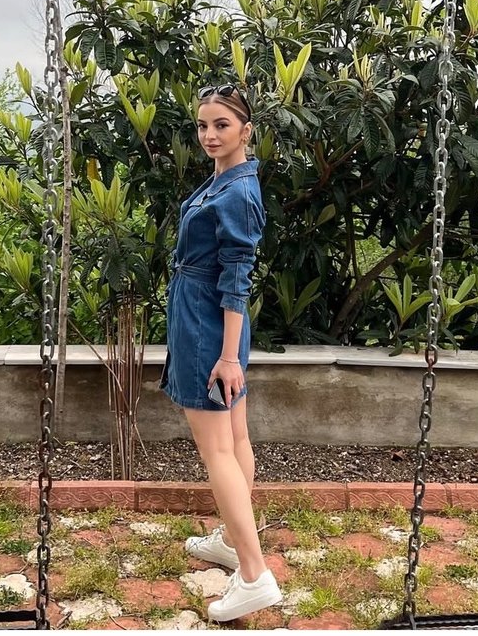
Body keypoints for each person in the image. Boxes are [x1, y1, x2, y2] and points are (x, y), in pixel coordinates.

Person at [160, 83, 282, 622]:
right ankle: (234, 544)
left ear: (246, 130)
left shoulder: (237, 193)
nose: (209, 135)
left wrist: (228, 357)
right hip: (211, 321)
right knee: (234, 438)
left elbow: (236, 281)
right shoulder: (224, 180)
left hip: (209, 327)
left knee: (217, 451)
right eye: (203, 125)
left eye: (222, 125)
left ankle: (253, 575)